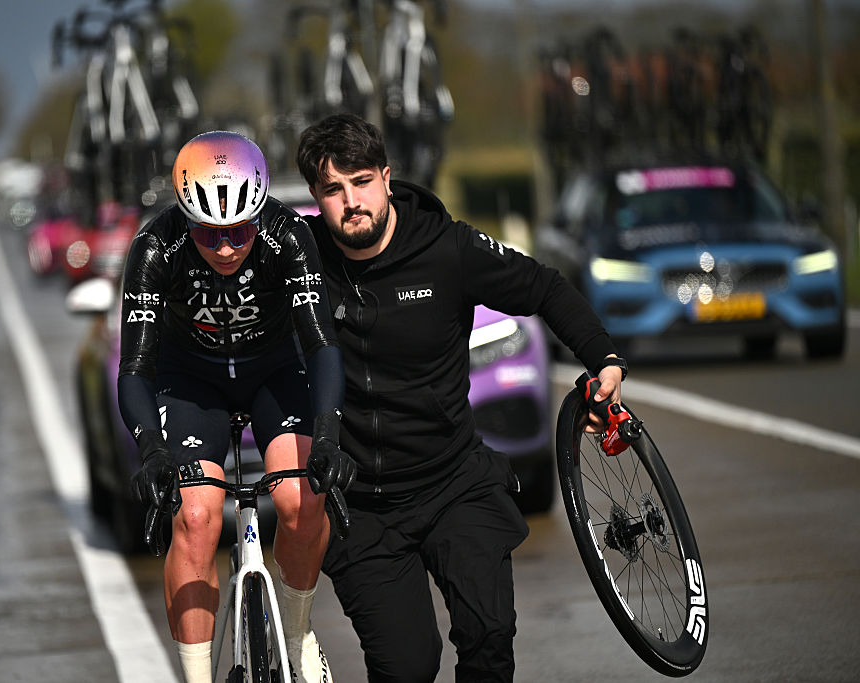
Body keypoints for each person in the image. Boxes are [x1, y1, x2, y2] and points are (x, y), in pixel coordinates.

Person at [295, 112, 628, 682]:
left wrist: (604, 360)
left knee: (489, 635)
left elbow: (545, 287)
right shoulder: (300, 260)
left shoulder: (447, 247)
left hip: (453, 483)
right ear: (316, 197)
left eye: (362, 181)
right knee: (407, 667)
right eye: (333, 189)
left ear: (387, 177)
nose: (351, 201)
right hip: (364, 508)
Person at [118, 130, 356, 683]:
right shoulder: (155, 249)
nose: (225, 247)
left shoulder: (289, 236)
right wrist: (150, 450)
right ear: (185, 219)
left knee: (300, 498)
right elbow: (135, 369)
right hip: (191, 381)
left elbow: (322, 344)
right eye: (208, 234)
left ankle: (297, 636)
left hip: (274, 371)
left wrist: (326, 435)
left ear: (260, 213)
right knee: (196, 516)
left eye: (239, 231)